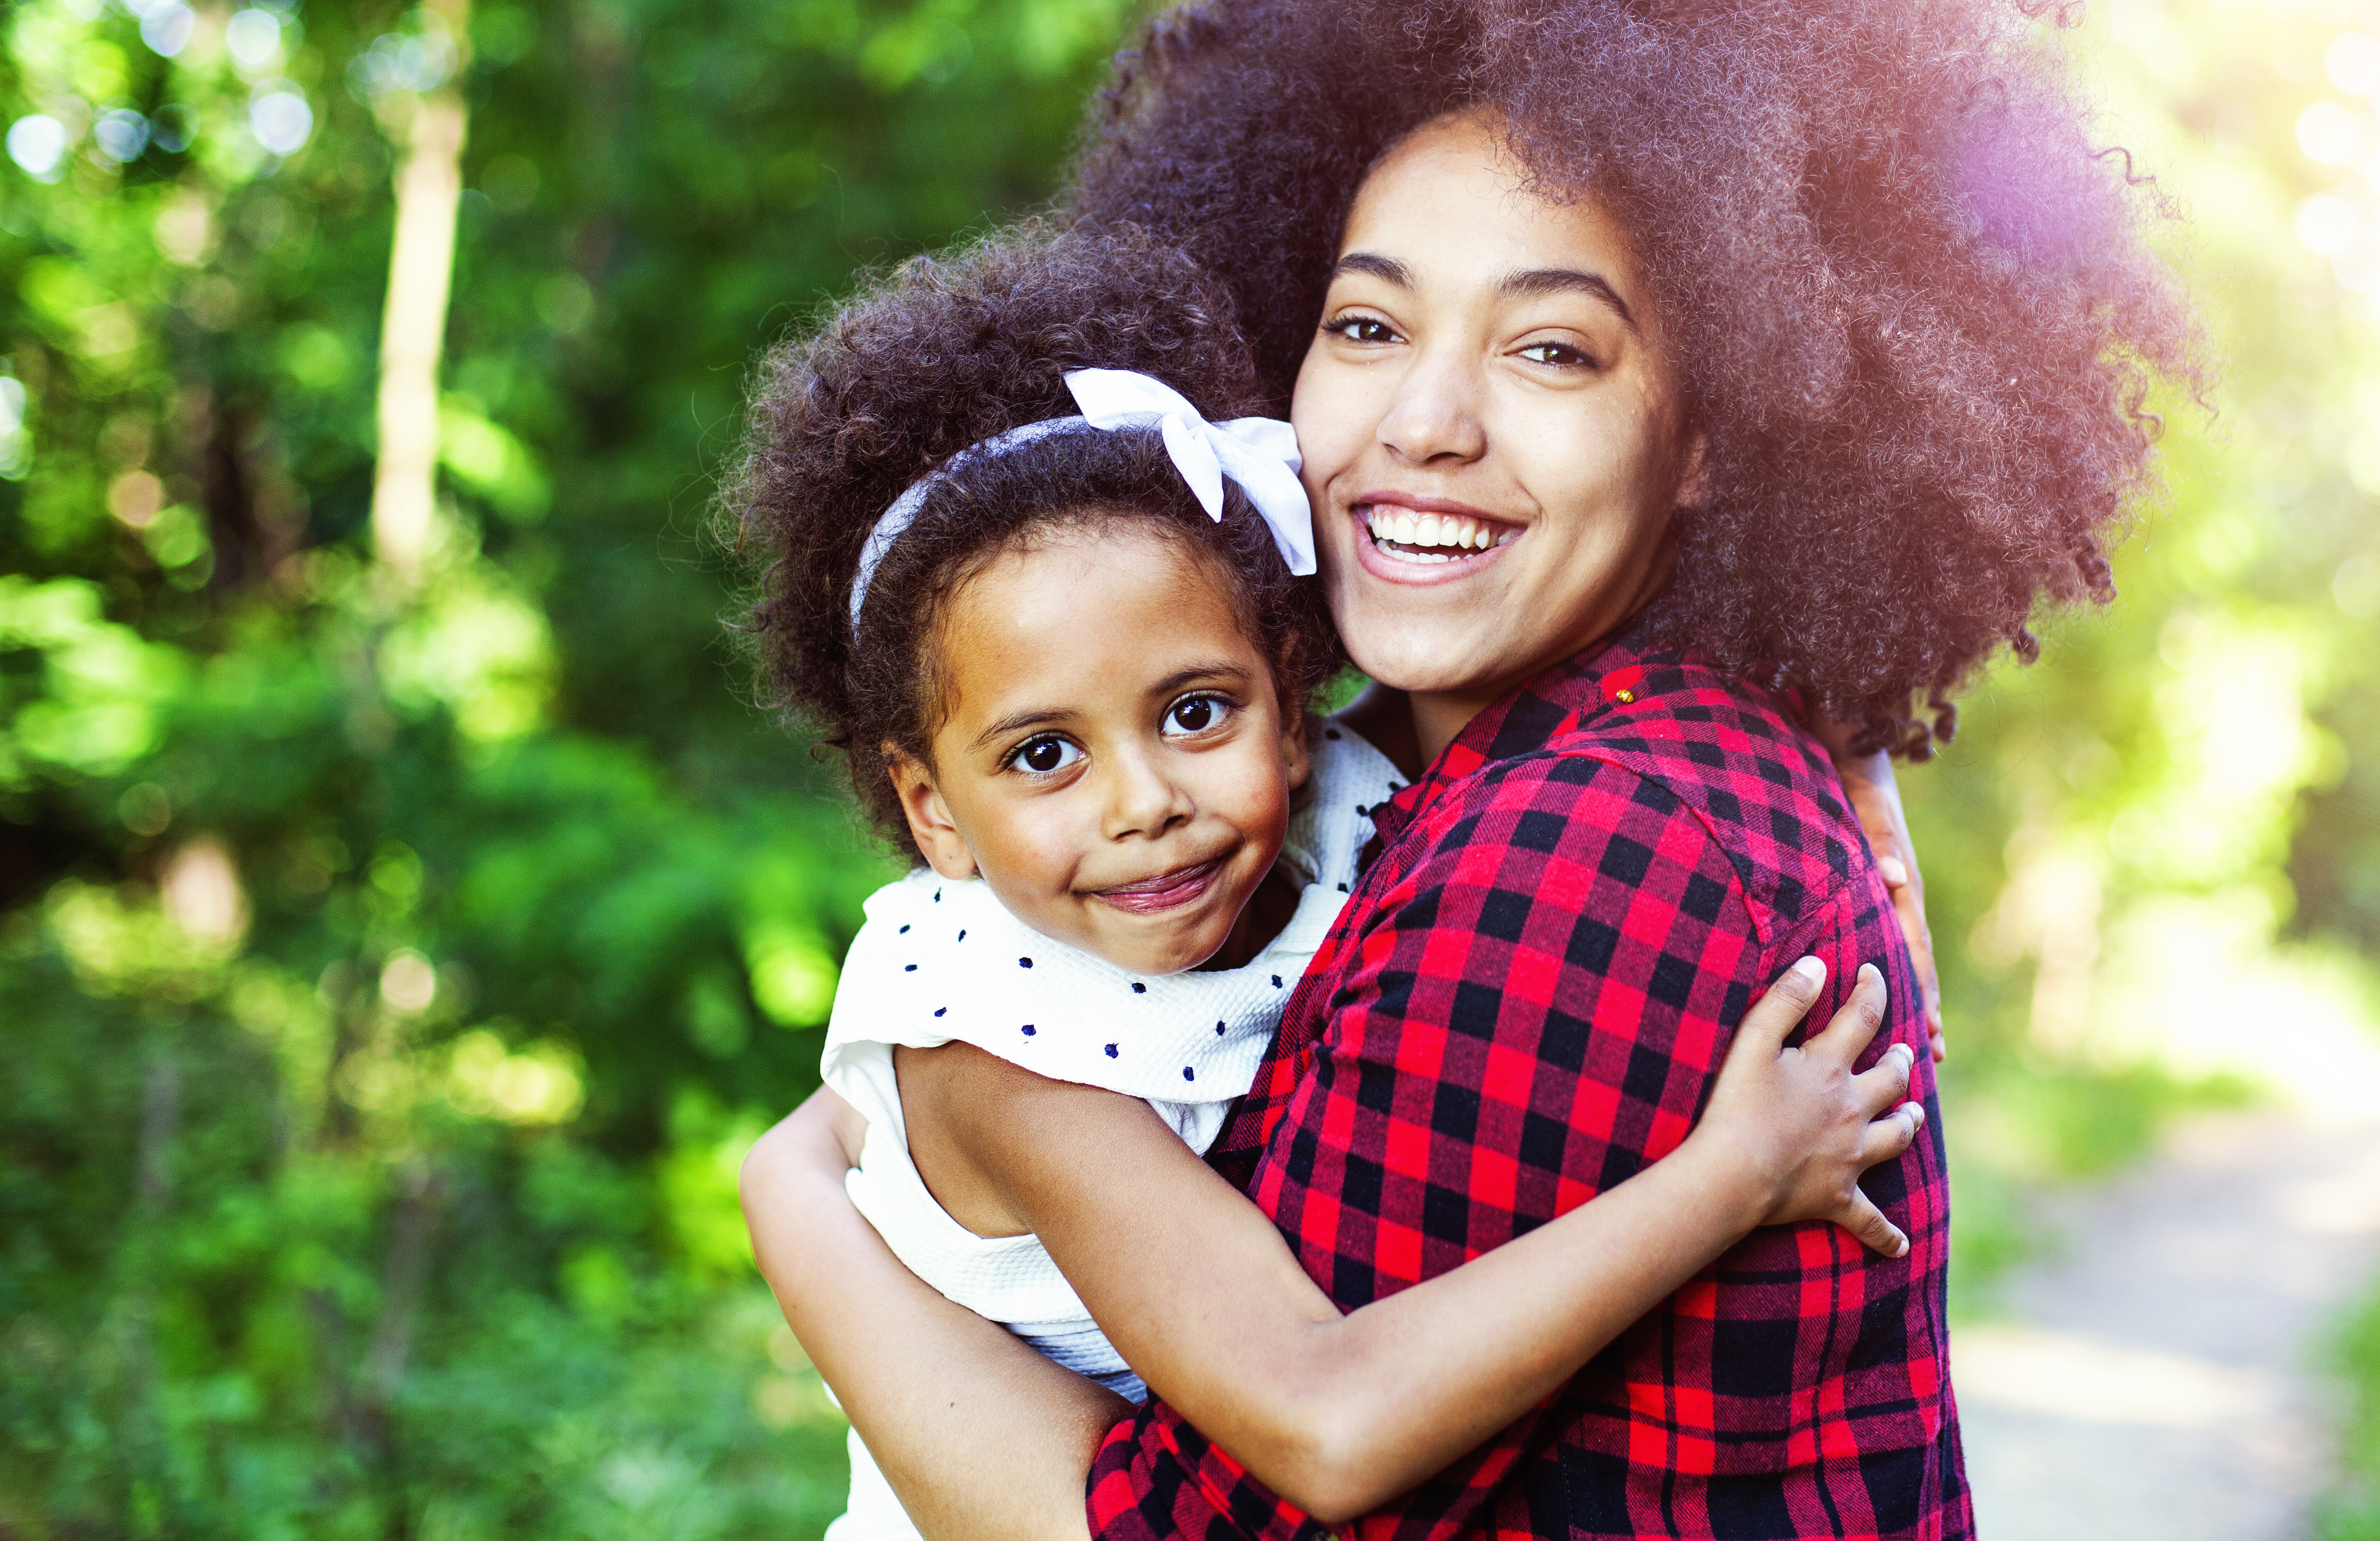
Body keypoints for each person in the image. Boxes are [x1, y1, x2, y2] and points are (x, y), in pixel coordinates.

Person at [743, 0, 2191, 1540]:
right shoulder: (1419, 775)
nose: (1422, 422)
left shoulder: (1583, 844)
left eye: (1552, 348)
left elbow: (1258, 1486)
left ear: (1725, 427)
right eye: (1363, 326)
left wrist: (797, 1202)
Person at [723, 223, 1930, 1541]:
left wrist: (1854, 724)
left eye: (1194, 712)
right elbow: (1325, 1420)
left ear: (1295, 713)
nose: (1145, 804)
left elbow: (1531, 651)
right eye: (1045, 753)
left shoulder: (1327, 802)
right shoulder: (1008, 1053)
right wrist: (1736, 1172)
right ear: (929, 813)